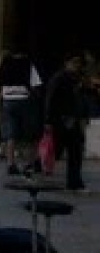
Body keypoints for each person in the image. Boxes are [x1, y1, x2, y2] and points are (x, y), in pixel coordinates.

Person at [45, 54, 90, 191]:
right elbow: (50, 99)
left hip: (72, 119)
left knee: (75, 151)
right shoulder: (59, 78)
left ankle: (75, 181)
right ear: (66, 63)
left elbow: (80, 99)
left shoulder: (75, 78)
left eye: (78, 63)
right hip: (62, 119)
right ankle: (33, 168)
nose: (76, 66)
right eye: (74, 63)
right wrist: (48, 120)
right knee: (56, 150)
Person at [0, 46, 43, 174]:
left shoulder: (4, 65)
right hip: (24, 100)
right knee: (29, 135)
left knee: (10, 135)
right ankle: (29, 163)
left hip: (8, 100)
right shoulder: (28, 65)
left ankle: (11, 164)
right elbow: (36, 84)